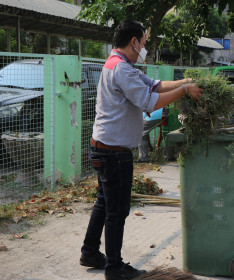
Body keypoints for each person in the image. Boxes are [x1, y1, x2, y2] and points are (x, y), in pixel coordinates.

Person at [79, 20, 202, 280]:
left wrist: (187, 80)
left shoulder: (119, 64)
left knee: (104, 202)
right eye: (144, 43)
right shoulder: (121, 69)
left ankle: (90, 252)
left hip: (104, 146)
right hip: (113, 152)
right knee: (117, 211)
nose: (144, 47)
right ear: (134, 41)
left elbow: (155, 85)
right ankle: (114, 268)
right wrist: (184, 91)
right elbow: (149, 100)